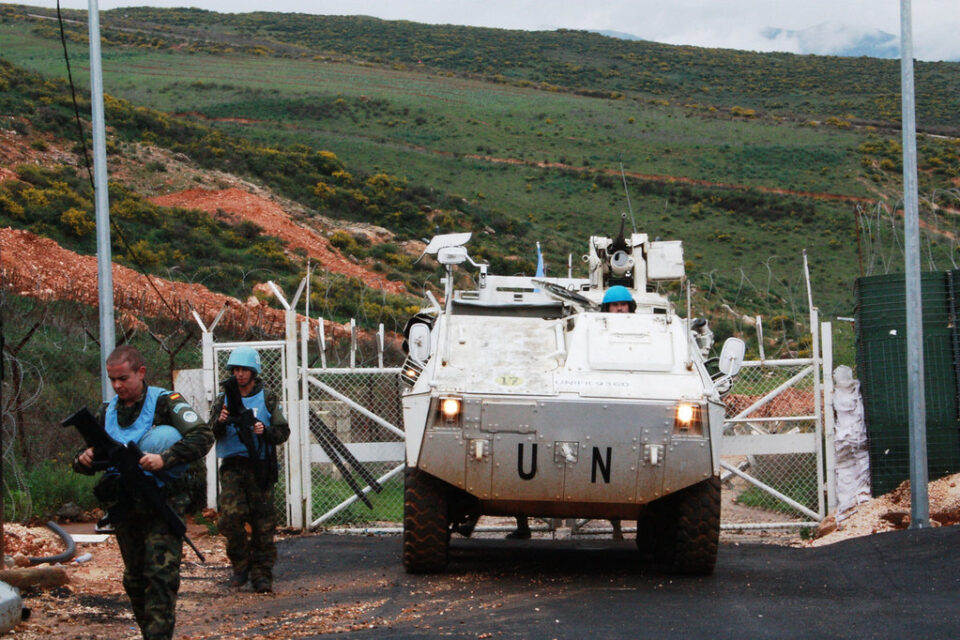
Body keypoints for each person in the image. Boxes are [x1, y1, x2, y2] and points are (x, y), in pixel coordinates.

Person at [73, 345, 213, 640]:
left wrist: (165, 459)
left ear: (141, 372)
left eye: (123, 378)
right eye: (112, 379)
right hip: (127, 506)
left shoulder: (166, 402)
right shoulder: (107, 411)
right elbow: (94, 456)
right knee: (134, 580)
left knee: (160, 577)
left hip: (163, 501)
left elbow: (203, 435)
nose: (117, 386)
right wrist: (84, 459)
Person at [210, 347, 289, 593]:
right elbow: (209, 434)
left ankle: (262, 574)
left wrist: (264, 432)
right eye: (236, 370)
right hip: (233, 466)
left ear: (253, 372)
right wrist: (220, 421)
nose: (240, 375)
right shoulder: (223, 398)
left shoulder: (267, 397)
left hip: (261, 466)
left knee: (263, 523)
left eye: (244, 370)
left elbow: (282, 432)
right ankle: (241, 565)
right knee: (230, 519)